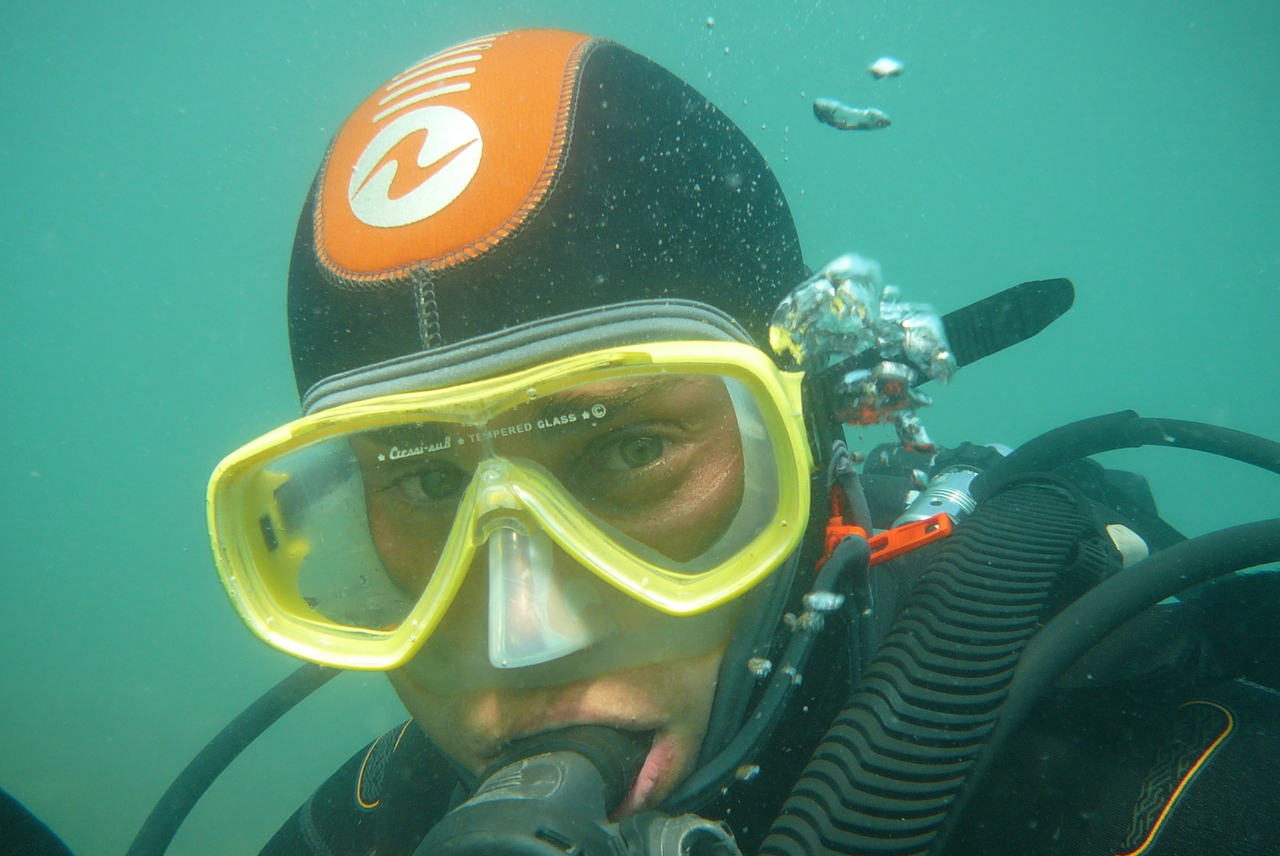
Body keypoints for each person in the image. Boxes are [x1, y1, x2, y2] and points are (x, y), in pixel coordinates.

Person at [204, 29, 1280, 856]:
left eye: (631, 451)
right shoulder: (363, 829)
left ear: (809, 438)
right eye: (428, 481)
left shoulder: (1162, 795)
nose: (522, 637)